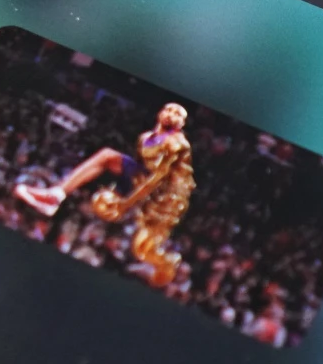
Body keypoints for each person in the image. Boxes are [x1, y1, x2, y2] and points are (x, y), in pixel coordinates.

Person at [12, 102, 197, 287]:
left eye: (177, 114)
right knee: (107, 155)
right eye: (169, 110)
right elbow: (141, 169)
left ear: (181, 123)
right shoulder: (146, 138)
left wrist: (126, 202)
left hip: (166, 193)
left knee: (144, 249)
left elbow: (156, 179)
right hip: (144, 178)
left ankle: (166, 269)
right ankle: (57, 194)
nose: (171, 115)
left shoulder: (176, 144)